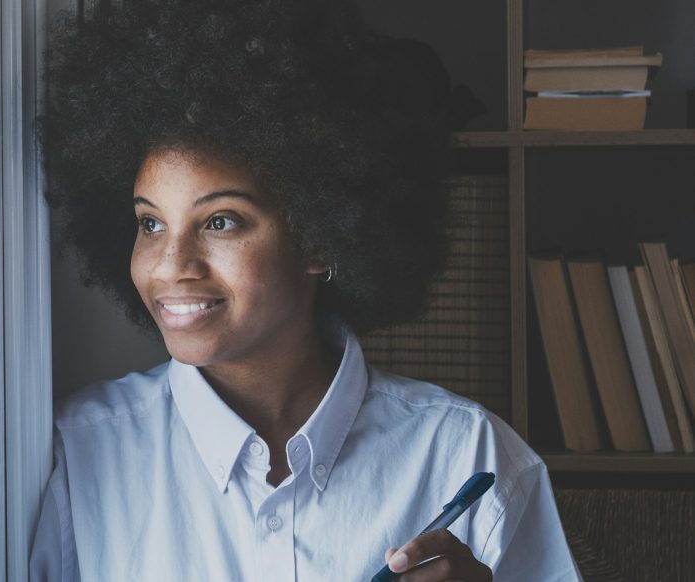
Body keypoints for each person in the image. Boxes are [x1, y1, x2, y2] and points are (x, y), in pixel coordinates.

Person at [31, 0, 580, 580]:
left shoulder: (469, 453)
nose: (170, 265)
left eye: (220, 221)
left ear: (319, 238)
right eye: (150, 223)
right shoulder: (77, 453)